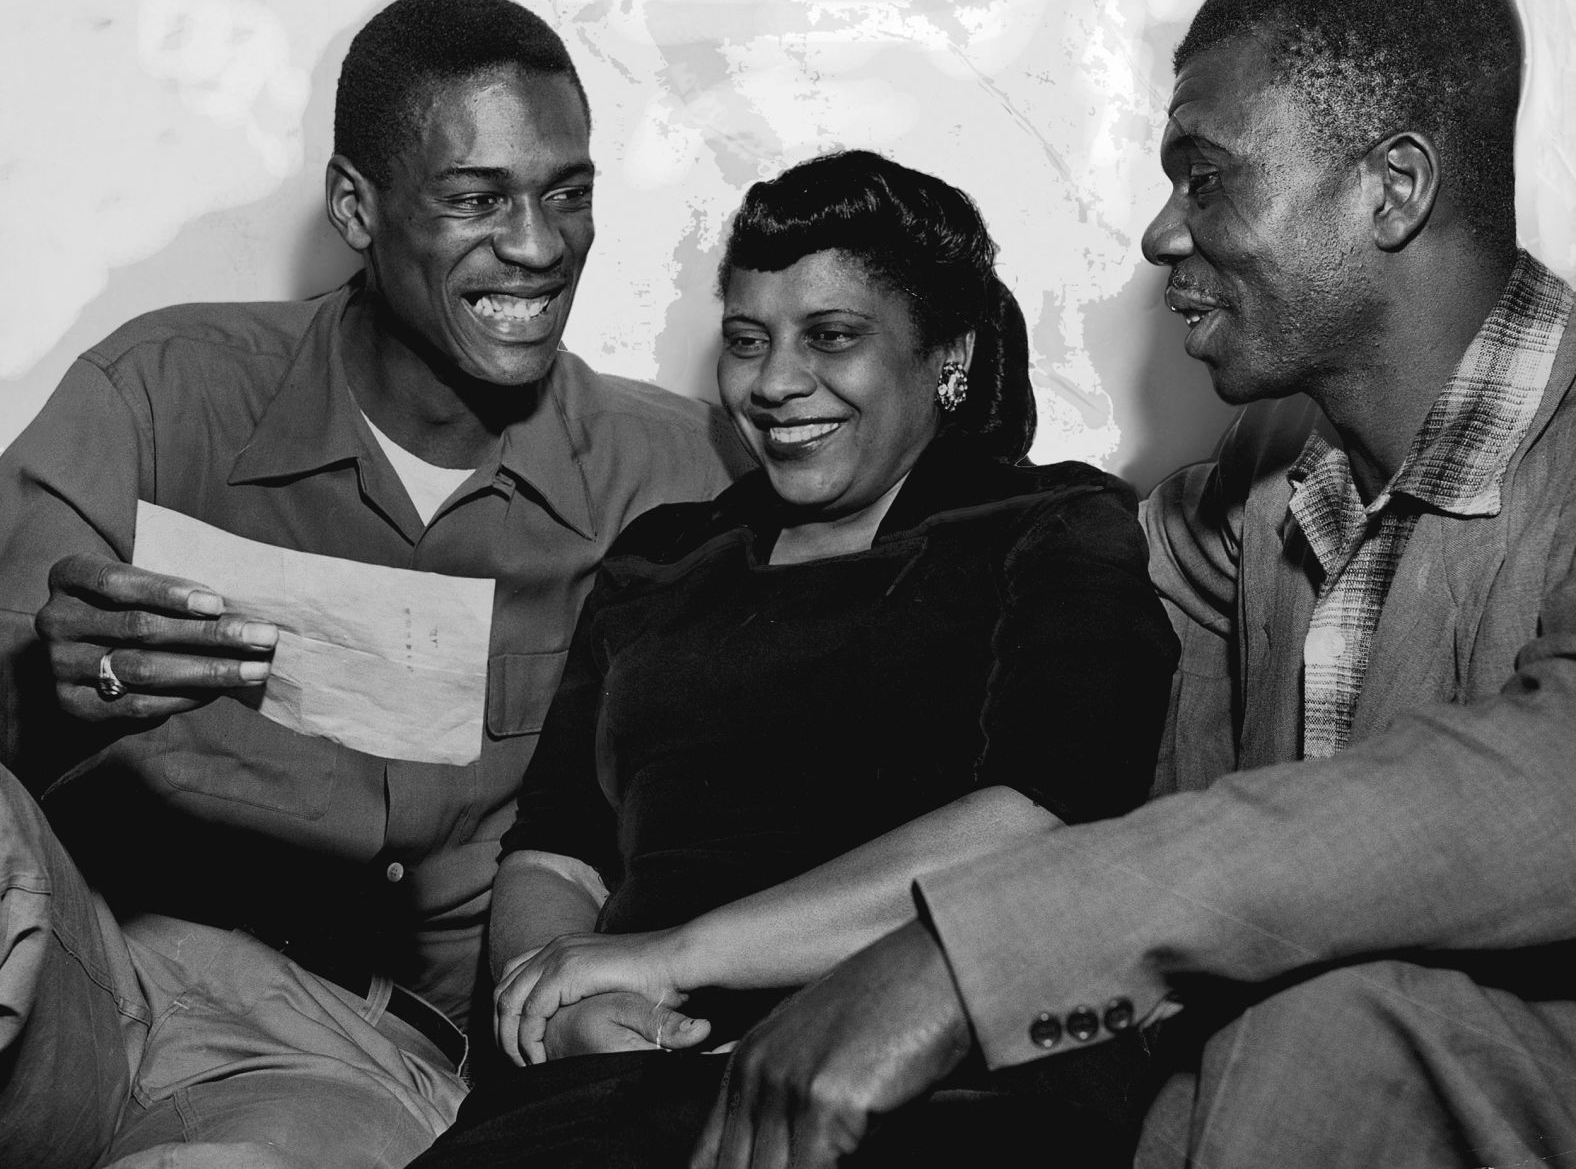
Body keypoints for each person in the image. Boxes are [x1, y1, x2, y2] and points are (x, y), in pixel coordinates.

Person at [687, 0, 1576, 1168]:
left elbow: (1542, 785)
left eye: (1203, 178)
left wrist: (974, 957)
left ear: (1394, 188)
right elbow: (1000, 619)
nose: (1162, 232)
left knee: (1324, 1022)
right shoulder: (1264, 481)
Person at [0, 0, 741, 1169]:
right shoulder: (163, 386)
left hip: (347, 1064)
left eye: (567, 194)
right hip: (88, 975)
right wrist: (45, 682)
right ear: (357, 205)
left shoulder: (682, 474)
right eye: (475, 198)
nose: (539, 246)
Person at [404, 148, 1180, 1168]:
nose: (773, 382)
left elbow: (1048, 817)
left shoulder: (1049, 526)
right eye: (745, 339)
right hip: (614, 1085)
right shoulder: (661, 559)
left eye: (832, 336)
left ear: (945, 356)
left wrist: (674, 957)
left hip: (926, 1080)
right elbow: (556, 848)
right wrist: (563, 1003)